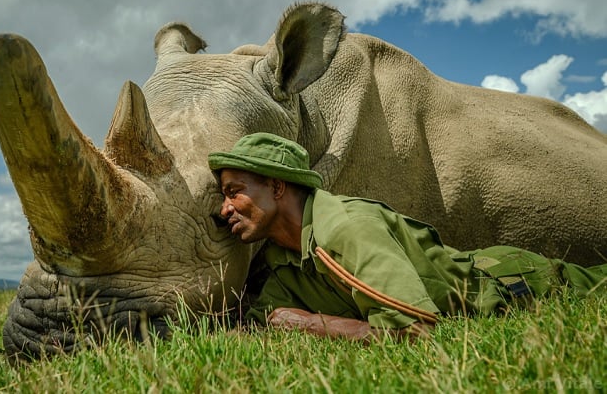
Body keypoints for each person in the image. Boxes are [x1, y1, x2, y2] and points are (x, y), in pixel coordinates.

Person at [207, 132, 607, 343]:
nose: (225, 210)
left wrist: (312, 324)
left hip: (520, 282)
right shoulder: (283, 256)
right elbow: (266, 325)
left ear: (277, 188)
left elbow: (414, 331)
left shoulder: (347, 229)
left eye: (233, 192)